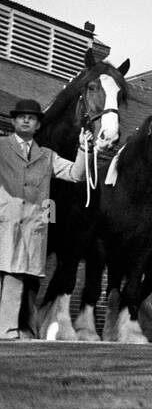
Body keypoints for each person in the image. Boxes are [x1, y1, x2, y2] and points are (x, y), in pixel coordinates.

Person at [0, 100, 89, 340]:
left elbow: (75, 174)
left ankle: (7, 332)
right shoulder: (1, 147)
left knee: (15, 277)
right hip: (3, 225)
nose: (26, 120)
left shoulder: (47, 156)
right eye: (21, 117)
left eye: (32, 118)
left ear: (38, 125)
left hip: (29, 230)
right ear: (14, 121)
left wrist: (83, 149)